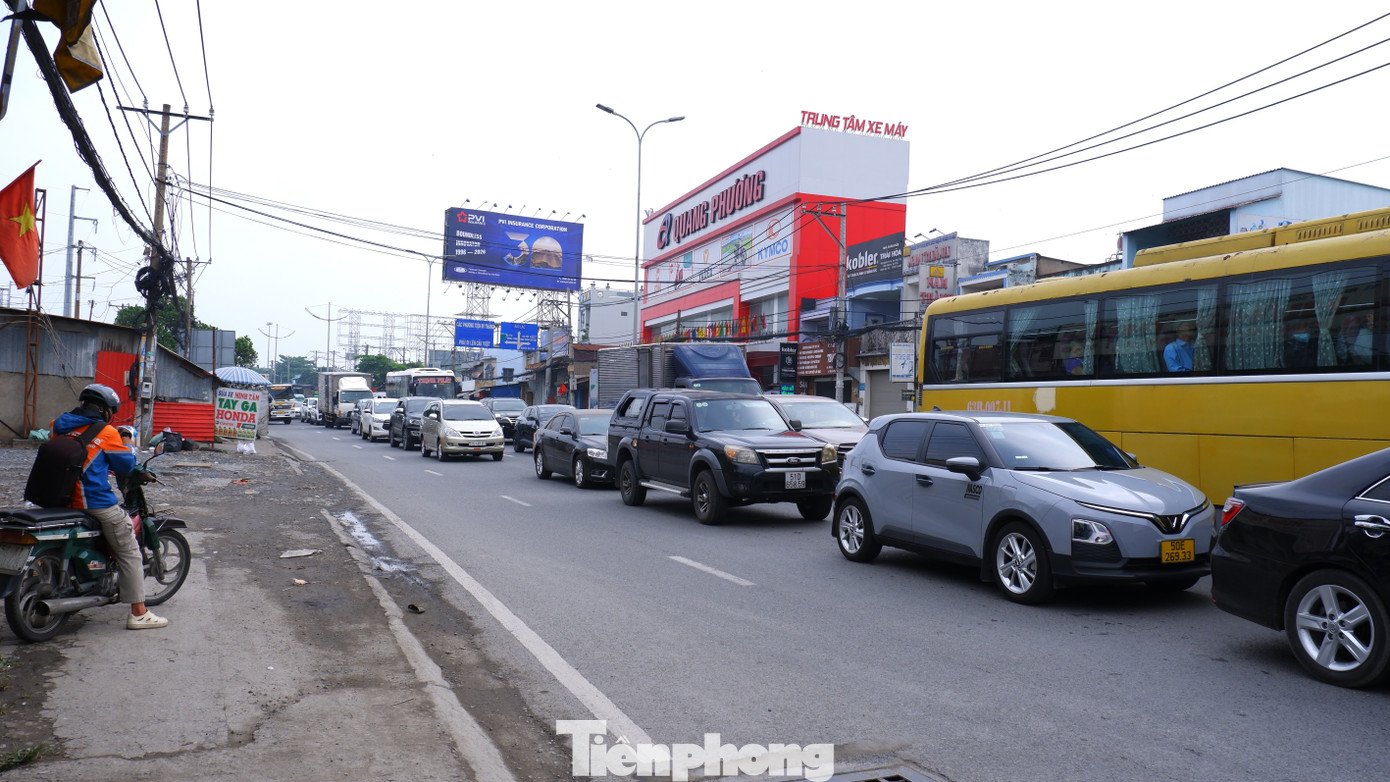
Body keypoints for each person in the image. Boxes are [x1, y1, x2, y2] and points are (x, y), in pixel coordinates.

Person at [50, 384, 169, 630]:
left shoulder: (59, 426)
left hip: (58, 500)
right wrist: (125, 444)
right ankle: (139, 612)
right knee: (129, 550)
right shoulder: (107, 432)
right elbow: (126, 466)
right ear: (106, 410)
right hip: (93, 502)